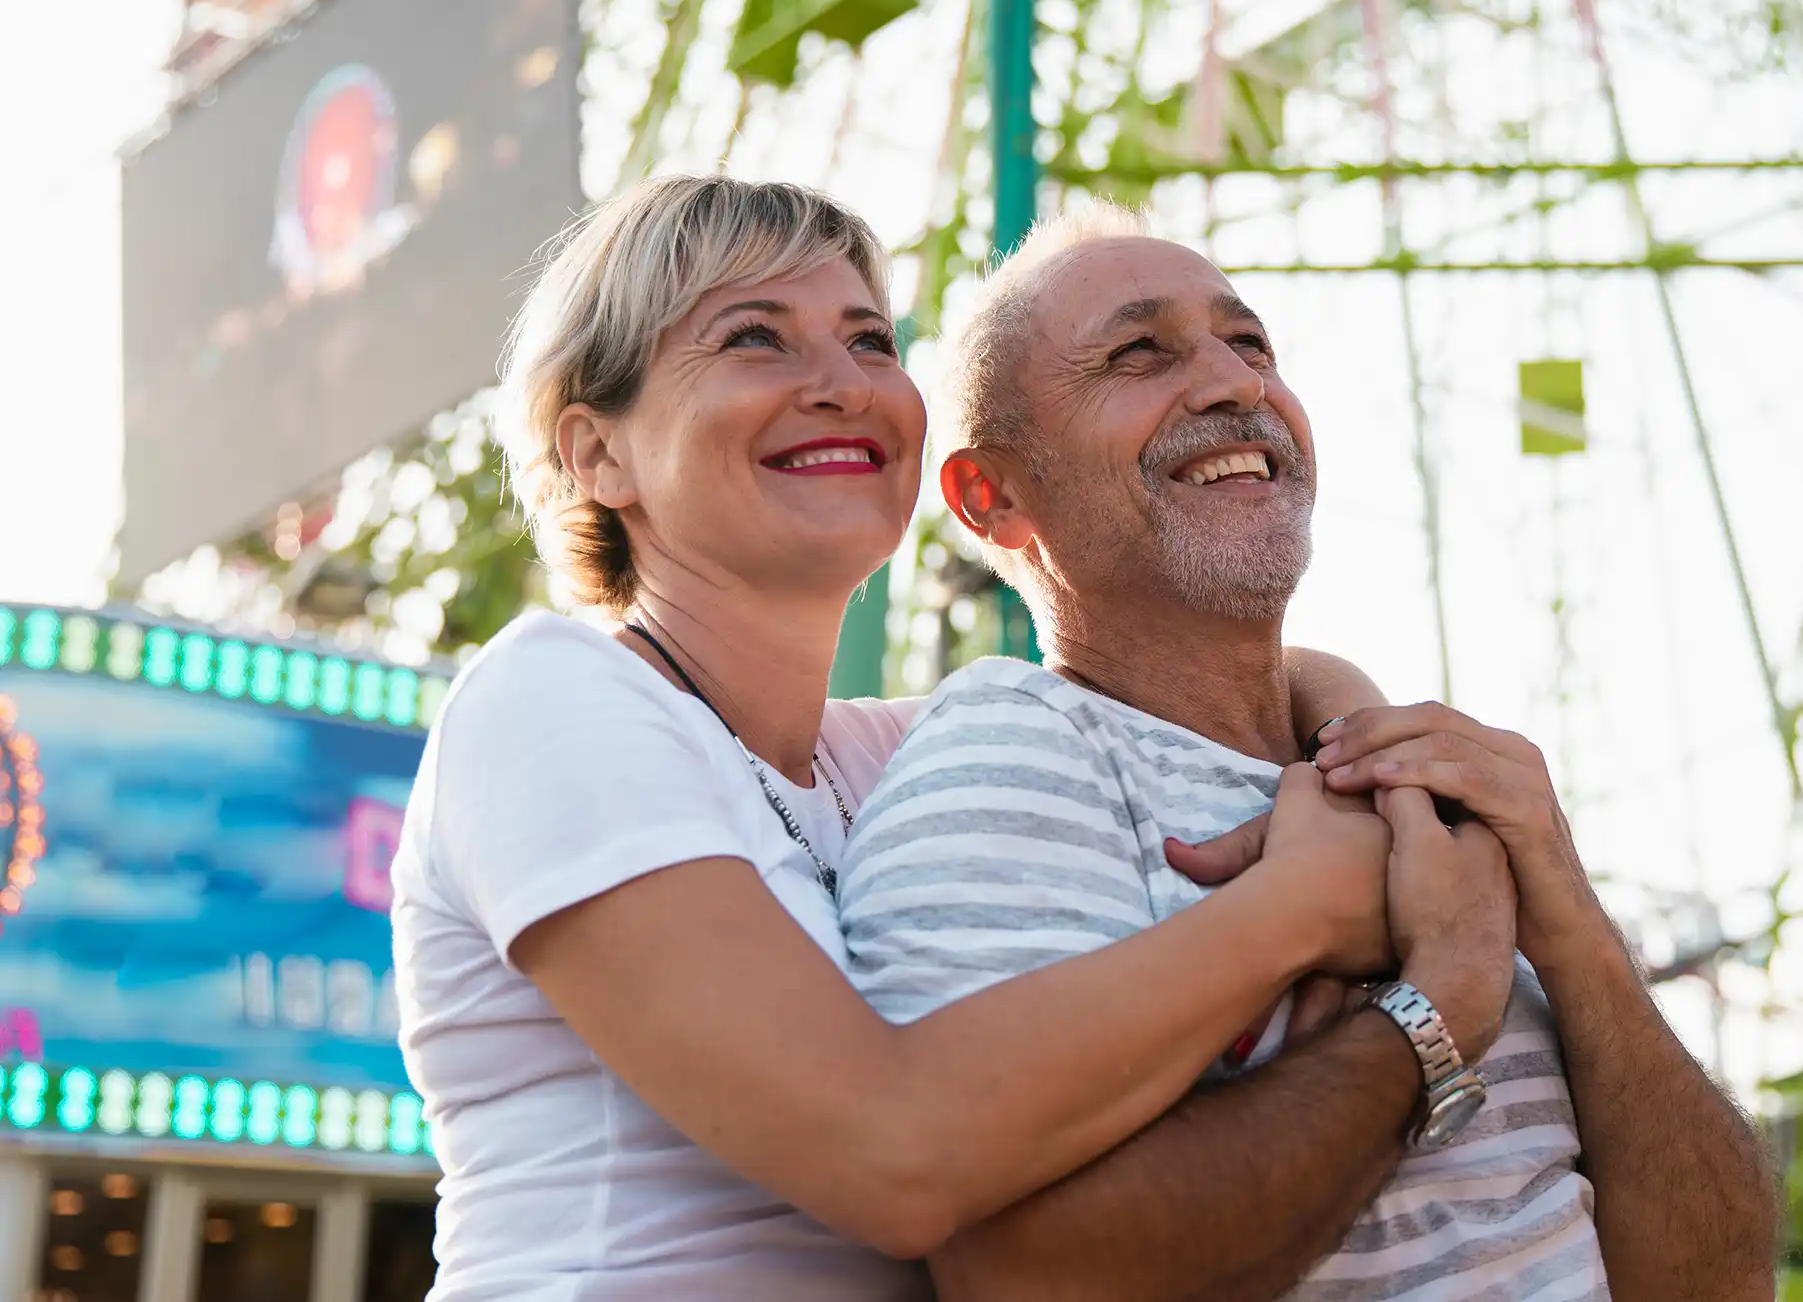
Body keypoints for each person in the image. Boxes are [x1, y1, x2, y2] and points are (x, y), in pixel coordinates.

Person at [391, 174, 1424, 1300]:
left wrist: (1352, 745)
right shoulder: (550, 701)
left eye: (870, 341)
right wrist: (1302, 909)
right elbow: (888, 1158)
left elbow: (1235, 687)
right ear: (598, 453)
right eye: (755, 339)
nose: (843, 385)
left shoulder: (895, 756)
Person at [837, 203, 1781, 1301]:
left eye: (1250, 343)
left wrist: (1573, 931)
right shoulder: (1012, 759)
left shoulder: (1437, 792)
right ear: (991, 496)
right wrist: (1436, 1007)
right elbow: (1027, 1276)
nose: (1233, 383)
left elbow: (1719, 1284)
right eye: (1139, 353)